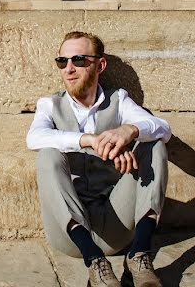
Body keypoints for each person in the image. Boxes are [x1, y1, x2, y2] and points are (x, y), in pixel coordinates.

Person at [27, 31, 171, 287]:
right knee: (48, 154)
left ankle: (139, 256)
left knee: (154, 145)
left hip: (115, 225)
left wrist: (130, 131)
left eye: (79, 60)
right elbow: (34, 138)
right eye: (62, 61)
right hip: (69, 232)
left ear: (100, 65)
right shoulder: (50, 105)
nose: (69, 69)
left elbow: (162, 127)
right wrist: (90, 140)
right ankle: (95, 262)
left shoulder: (119, 100)